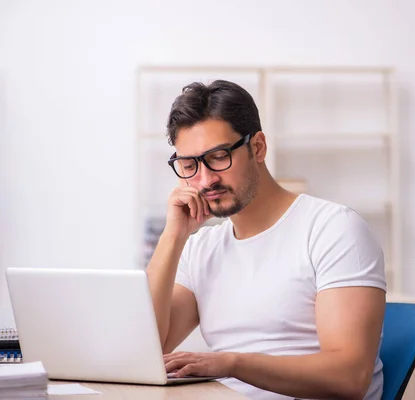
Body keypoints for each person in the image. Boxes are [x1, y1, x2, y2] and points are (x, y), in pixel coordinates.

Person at [146, 79, 387, 400]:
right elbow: (146, 351)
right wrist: (172, 236)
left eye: (218, 157)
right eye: (189, 166)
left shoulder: (333, 229)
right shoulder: (202, 248)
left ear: (257, 147)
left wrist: (230, 363)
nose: (205, 180)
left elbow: (350, 377)